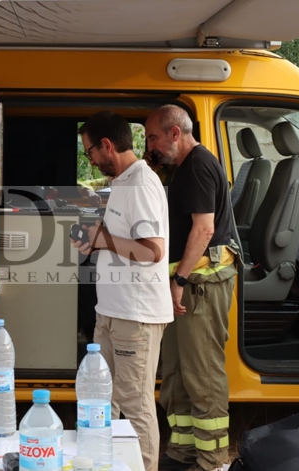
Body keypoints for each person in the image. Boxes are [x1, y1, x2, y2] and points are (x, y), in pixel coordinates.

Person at [71, 110, 172, 471]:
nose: (92, 160)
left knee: (136, 403)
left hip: (136, 315)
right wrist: (94, 242)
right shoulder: (122, 184)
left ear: (107, 145)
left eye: (90, 153)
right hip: (112, 311)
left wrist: (106, 241)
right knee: (104, 398)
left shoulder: (141, 184)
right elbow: (119, 240)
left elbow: (151, 250)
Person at [145, 104, 239, 471]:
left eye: (153, 137)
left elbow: (204, 229)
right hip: (187, 283)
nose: (149, 145)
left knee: (202, 374)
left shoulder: (198, 166)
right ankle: (183, 452)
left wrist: (179, 281)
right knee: (177, 373)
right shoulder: (182, 168)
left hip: (199, 284)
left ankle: (212, 460)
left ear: (174, 133)